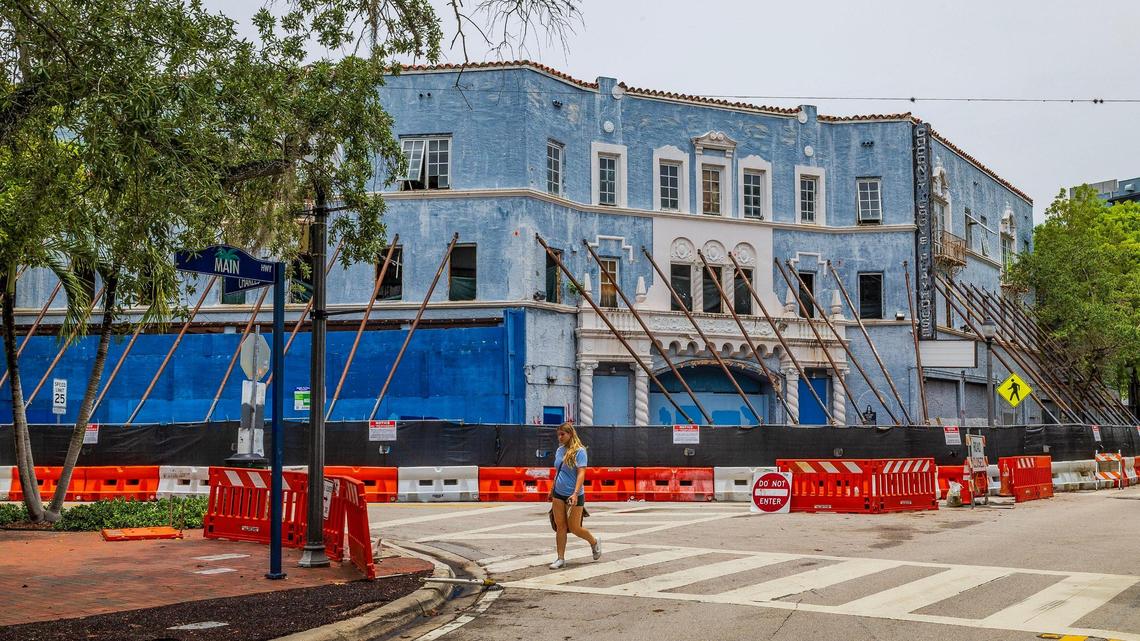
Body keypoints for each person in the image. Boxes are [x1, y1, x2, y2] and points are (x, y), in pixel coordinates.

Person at [548, 421, 600, 569]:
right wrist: (552, 489)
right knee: (560, 526)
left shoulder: (580, 451)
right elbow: (558, 471)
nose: (559, 437)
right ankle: (560, 558)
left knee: (575, 527)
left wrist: (575, 493)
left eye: (562, 434)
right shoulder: (559, 451)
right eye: (558, 434)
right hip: (558, 493)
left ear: (570, 434)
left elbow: (581, 473)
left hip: (574, 494)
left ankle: (594, 542)